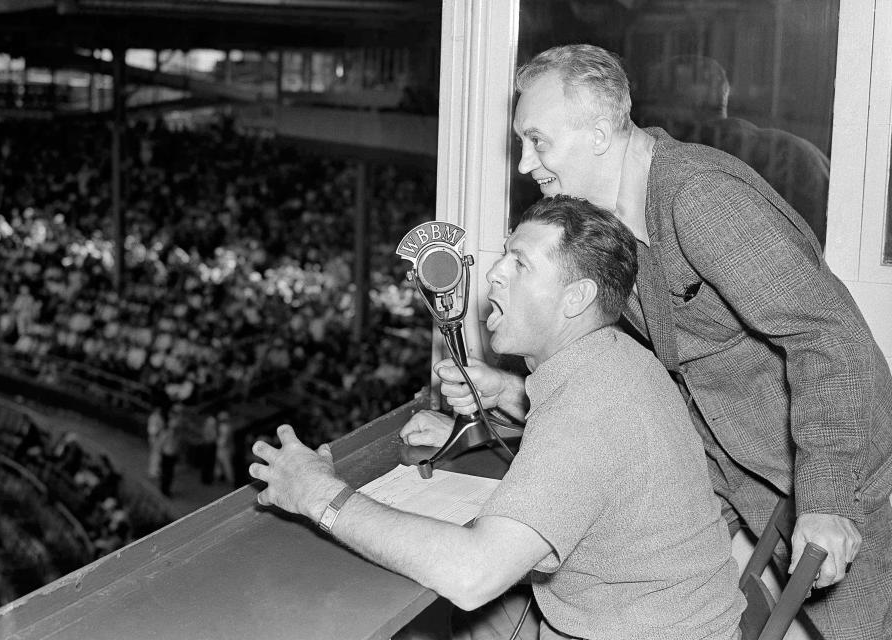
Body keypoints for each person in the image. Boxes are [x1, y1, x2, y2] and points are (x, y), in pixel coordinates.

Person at [425, 44, 891, 640]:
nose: (524, 164)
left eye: (537, 140)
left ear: (599, 132)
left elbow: (826, 335)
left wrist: (827, 497)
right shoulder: (619, 221)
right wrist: (515, 400)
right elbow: (645, 383)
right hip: (751, 473)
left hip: (847, 469)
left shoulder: (699, 199)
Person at [250, 196, 745, 640]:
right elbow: (595, 464)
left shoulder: (589, 407)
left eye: (520, 263)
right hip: (657, 612)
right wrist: (502, 398)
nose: (493, 274)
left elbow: (472, 575)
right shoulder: (616, 359)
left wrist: (319, 495)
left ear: (577, 299)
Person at [634, 54, 830, 246]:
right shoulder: (798, 150)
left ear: (686, 104)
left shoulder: (697, 161)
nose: (650, 116)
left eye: (658, 102)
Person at [214, 410, 234, 486]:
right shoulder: (225, 426)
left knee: (227, 466)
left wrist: (218, 442)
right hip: (222, 449)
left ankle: (231, 481)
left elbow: (223, 441)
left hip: (225, 449)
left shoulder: (225, 427)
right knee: (219, 465)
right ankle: (220, 479)